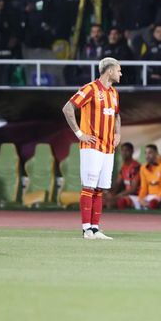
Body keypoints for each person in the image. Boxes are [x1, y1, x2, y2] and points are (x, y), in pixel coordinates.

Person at [61, 57, 123, 240]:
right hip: (92, 145)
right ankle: (86, 229)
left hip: (108, 147)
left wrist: (118, 133)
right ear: (109, 71)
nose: (120, 73)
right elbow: (67, 108)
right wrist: (79, 134)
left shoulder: (114, 93)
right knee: (89, 186)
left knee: (100, 189)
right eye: (118, 70)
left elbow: (117, 115)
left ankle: (95, 228)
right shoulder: (90, 89)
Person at [131, 145, 161, 209]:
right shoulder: (143, 168)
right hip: (149, 197)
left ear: (156, 153)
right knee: (128, 202)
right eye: (146, 153)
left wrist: (156, 199)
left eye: (150, 153)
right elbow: (143, 187)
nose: (147, 156)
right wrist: (140, 199)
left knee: (158, 204)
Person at [104, 142, 140, 209]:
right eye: (122, 150)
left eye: (126, 150)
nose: (124, 153)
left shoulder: (136, 167)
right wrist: (109, 192)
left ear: (132, 152)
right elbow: (117, 184)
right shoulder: (123, 167)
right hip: (125, 195)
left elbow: (133, 189)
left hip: (135, 196)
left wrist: (117, 196)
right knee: (103, 200)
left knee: (112, 203)